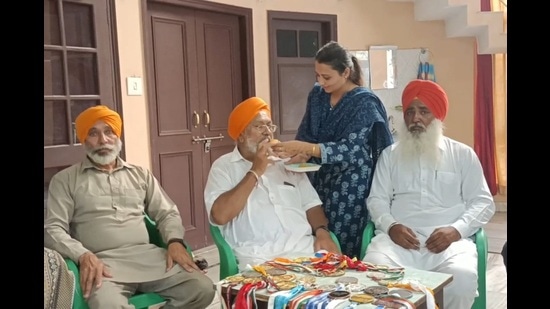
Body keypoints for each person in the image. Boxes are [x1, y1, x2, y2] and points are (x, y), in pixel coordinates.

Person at [43, 105, 215, 309]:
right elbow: (53, 229)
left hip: (150, 258)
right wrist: (83, 255)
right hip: (103, 264)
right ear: (84, 140)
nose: (103, 140)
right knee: (107, 304)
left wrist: (175, 241)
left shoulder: (139, 174)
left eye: (109, 132)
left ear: (117, 137)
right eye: (93, 133)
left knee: (202, 289)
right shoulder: (65, 180)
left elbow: (166, 212)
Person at [362, 79, 496, 309]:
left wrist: (456, 230)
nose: (416, 118)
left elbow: (483, 202)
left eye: (424, 111)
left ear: (438, 115)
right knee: (374, 271)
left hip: (449, 245)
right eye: (410, 111)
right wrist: (392, 226)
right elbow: (377, 200)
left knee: (460, 278)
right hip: (398, 244)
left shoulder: (462, 155)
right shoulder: (389, 155)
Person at [272, 41, 394, 258]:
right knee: (317, 230)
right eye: (317, 75)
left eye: (326, 77)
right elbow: (308, 132)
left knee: (343, 242)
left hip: (351, 183)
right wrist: (299, 153)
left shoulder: (364, 103)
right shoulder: (317, 95)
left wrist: (309, 147)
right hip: (318, 179)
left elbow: (352, 149)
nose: (320, 81)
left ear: (346, 72)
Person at [204, 97, 341, 269]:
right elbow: (220, 216)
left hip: (305, 250)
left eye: (270, 126)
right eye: (259, 126)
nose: (267, 132)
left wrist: (322, 232)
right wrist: (256, 171)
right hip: (259, 258)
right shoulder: (223, 167)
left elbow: (311, 204)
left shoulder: (286, 164)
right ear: (241, 135)